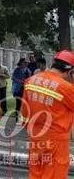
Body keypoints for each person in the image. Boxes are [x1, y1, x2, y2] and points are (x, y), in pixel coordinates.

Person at [20, 50, 74, 179]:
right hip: (56, 142)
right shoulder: (66, 88)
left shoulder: (31, 80)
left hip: (36, 138)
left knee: (35, 174)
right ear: (71, 71)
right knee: (54, 174)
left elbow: (24, 114)